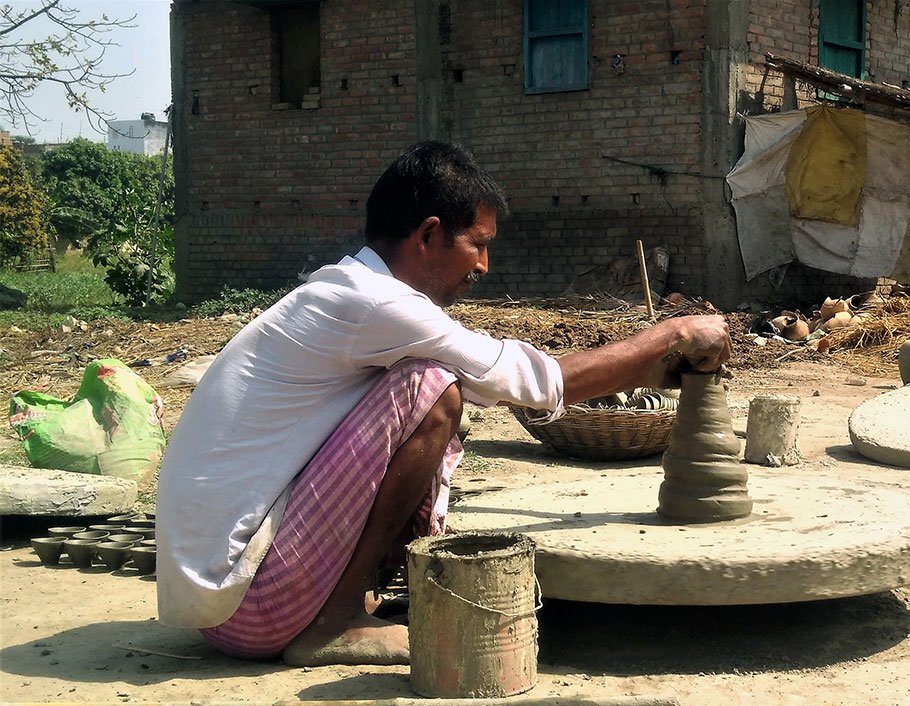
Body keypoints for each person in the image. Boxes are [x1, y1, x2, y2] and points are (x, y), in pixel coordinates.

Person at [155, 141, 731, 667]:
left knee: (434, 381)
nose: (484, 266)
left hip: (219, 608)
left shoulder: (347, 292)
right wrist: (670, 334)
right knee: (430, 389)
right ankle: (331, 624)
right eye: (478, 245)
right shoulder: (374, 304)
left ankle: (342, 600)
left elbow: (512, 379)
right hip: (251, 605)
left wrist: (649, 363)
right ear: (428, 236)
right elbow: (532, 380)